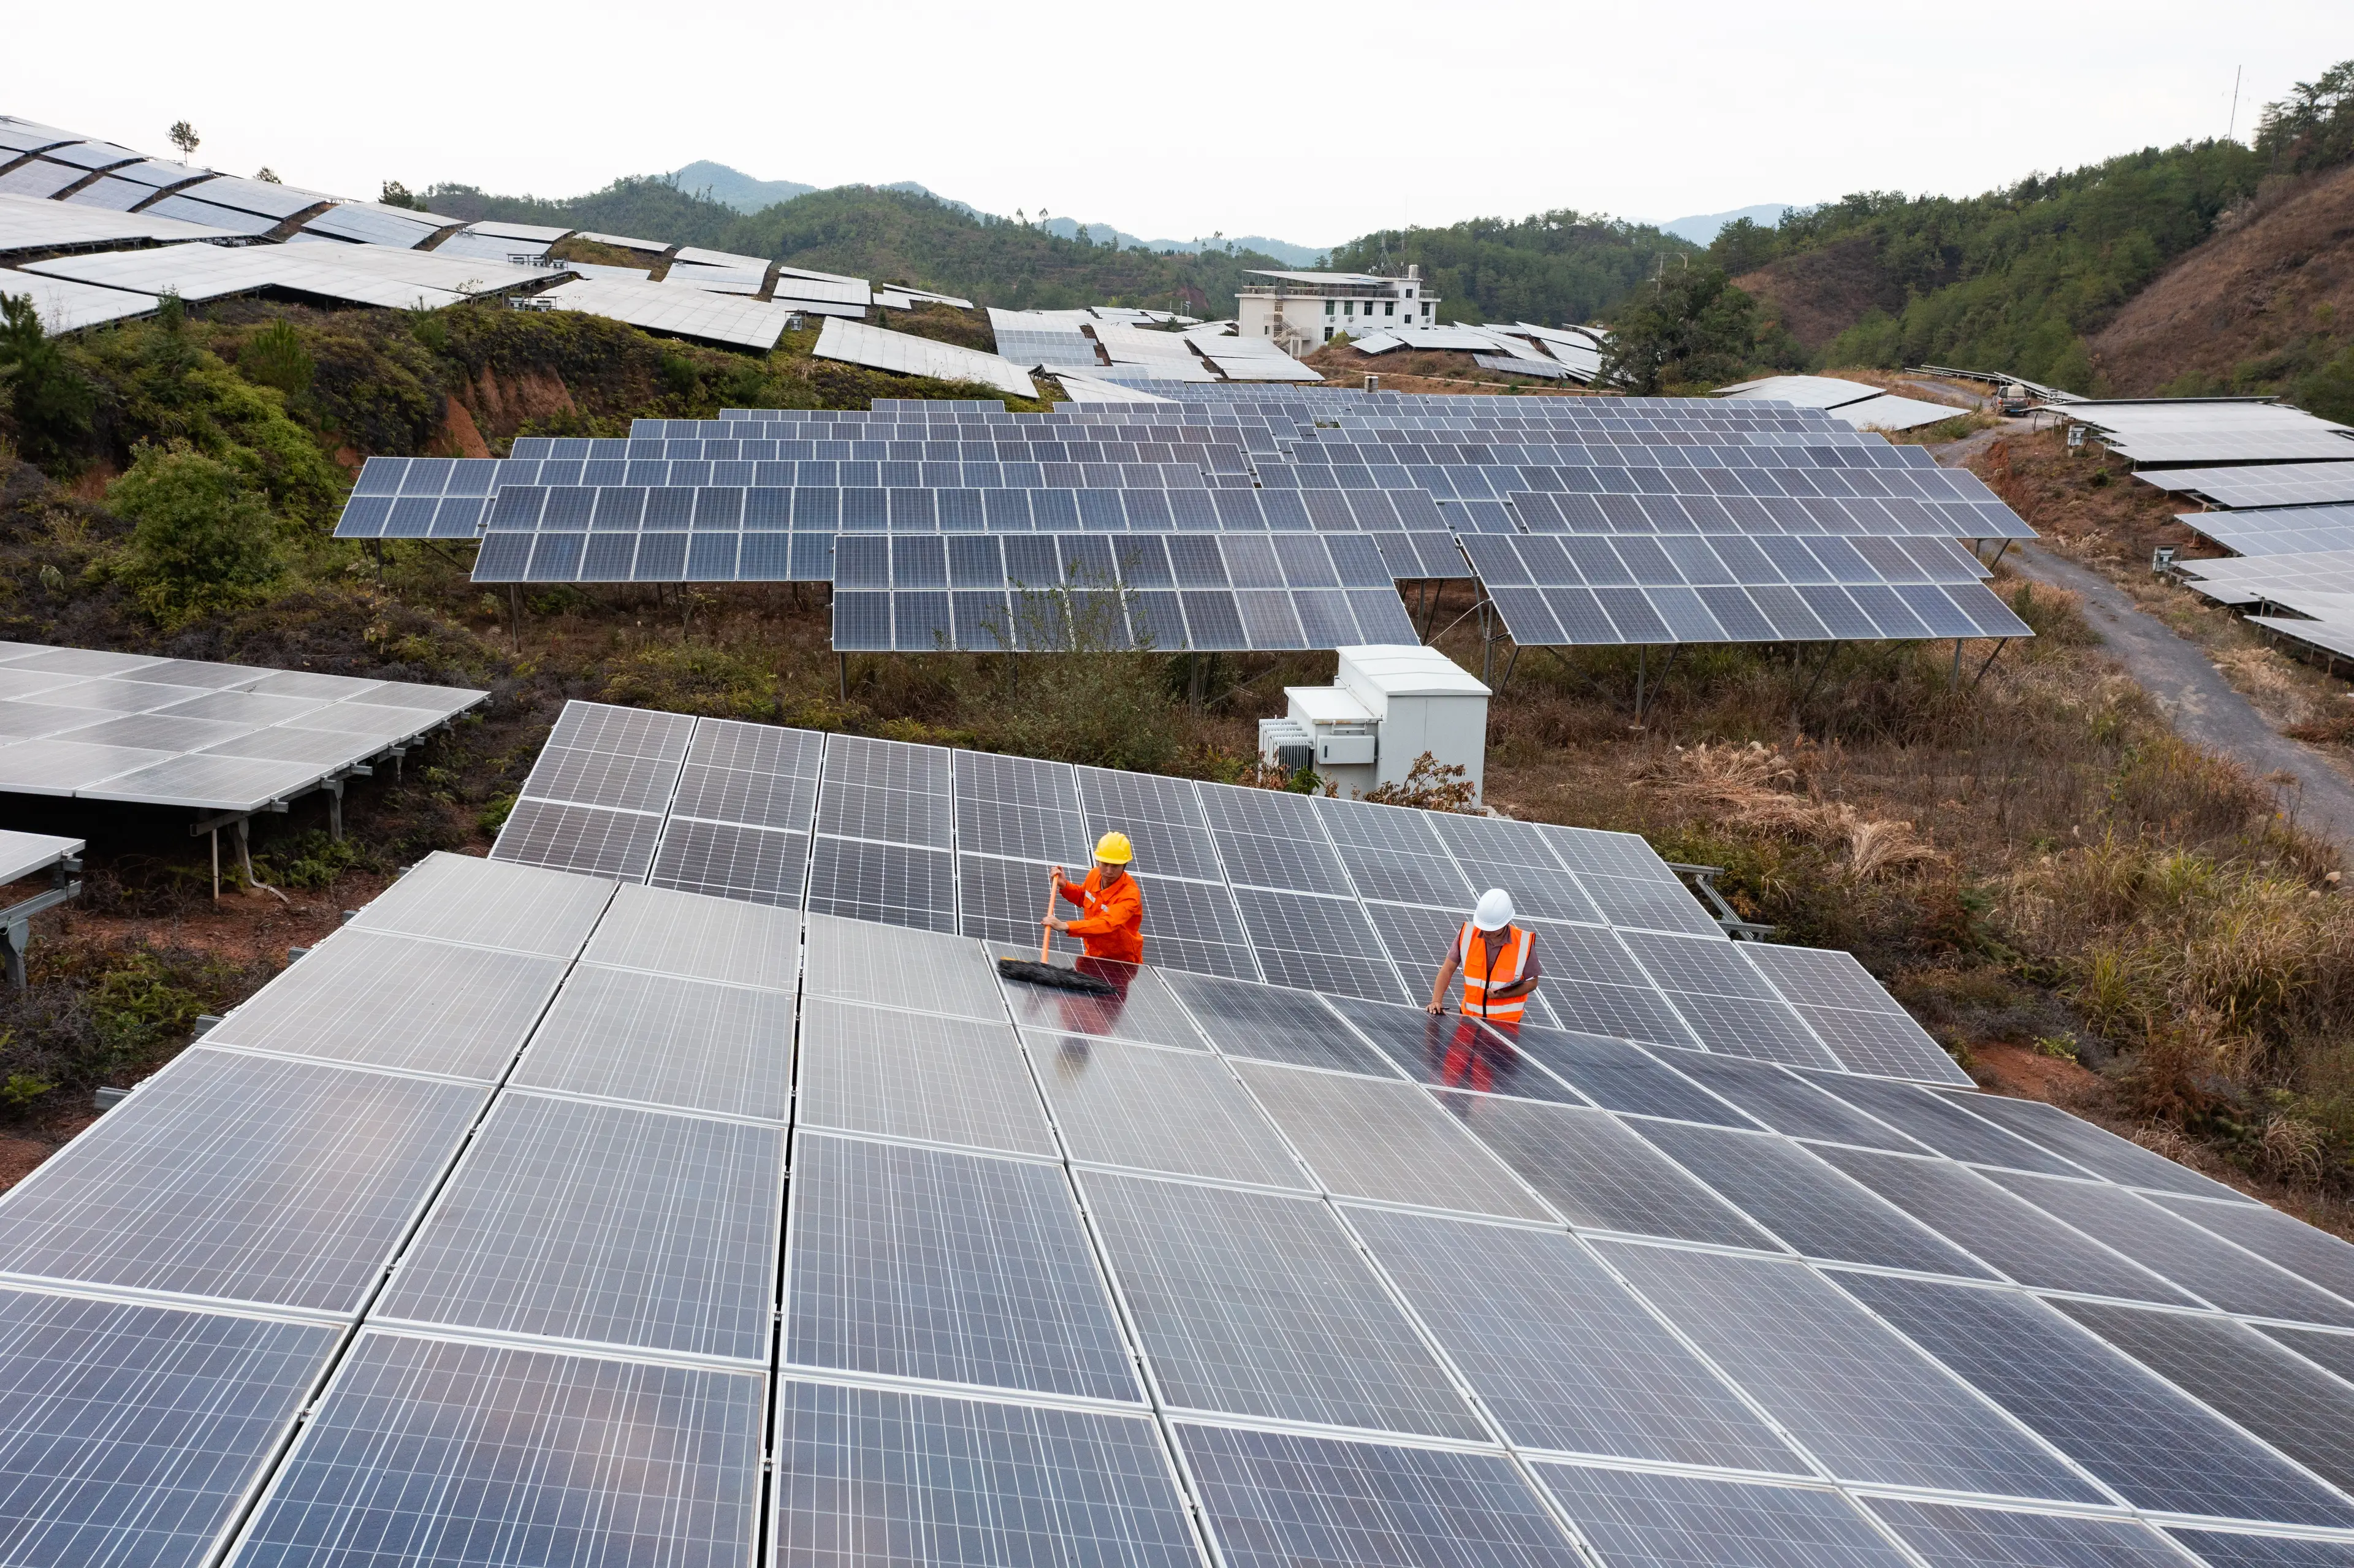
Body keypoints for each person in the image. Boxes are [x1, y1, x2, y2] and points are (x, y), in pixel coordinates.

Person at [1427, 888, 1541, 1026]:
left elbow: (1532, 982)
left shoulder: (1524, 943)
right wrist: (1436, 1001)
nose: (1487, 932)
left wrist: (1503, 995)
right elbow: (1447, 969)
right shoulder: (1467, 934)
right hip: (1469, 1021)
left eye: (1492, 930)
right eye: (1484, 927)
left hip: (1506, 1027)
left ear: (1506, 922)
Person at [1046, 831, 1144, 966]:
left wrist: (1067, 926)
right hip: (1093, 954)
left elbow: (1107, 923)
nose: (1109, 871)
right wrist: (1065, 885)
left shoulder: (1130, 895)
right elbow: (1083, 897)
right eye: (1104, 864)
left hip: (1121, 963)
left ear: (1125, 865)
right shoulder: (1094, 875)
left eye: (1115, 866)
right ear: (1098, 861)